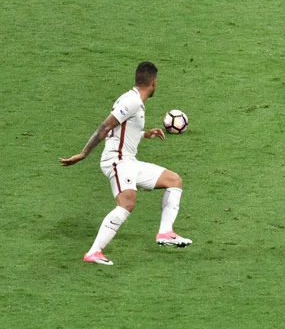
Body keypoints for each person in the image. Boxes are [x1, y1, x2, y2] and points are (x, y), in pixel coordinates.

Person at [60, 61, 192, 266]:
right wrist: (83, 154)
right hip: (118, 161)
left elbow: (119, 130)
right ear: (154, 82)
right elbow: (106, 126)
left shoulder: (134, 101)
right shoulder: (131, 101)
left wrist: (144, 134)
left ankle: (165, 232)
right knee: (127, 204)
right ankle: (94, 252)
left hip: (129, 161)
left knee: (174, 180)